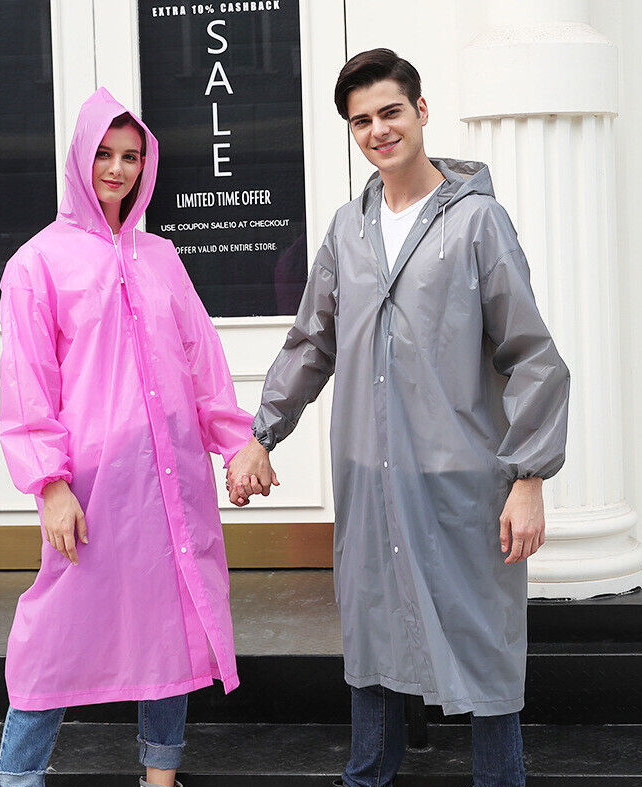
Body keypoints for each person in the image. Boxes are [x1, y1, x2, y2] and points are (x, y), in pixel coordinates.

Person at [227, 49, 570, 787]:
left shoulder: (478, 223)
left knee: (482, 638)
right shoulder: (347, 230)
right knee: (374, 629)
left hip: (460, 476)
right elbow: (312, 342)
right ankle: (368, 776)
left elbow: (532, 354)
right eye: (362, 121)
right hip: (367, 470)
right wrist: (261, 433)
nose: (378, 130)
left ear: (421, 111)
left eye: (390, 112)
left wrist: (530, 477)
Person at [0, 86, 254, 787]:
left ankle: (160, 775)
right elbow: (27, 387)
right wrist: (50, 485)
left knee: (171, 622)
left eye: (131, 156)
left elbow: (202, 361)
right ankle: (16, 775)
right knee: (52, 633)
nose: (116, 168)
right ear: (79, 157)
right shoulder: (37, 264)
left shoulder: (161, 256)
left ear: (146, 163)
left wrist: (237, 444)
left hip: (172, 479)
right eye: (104, 153)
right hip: (93, 486)